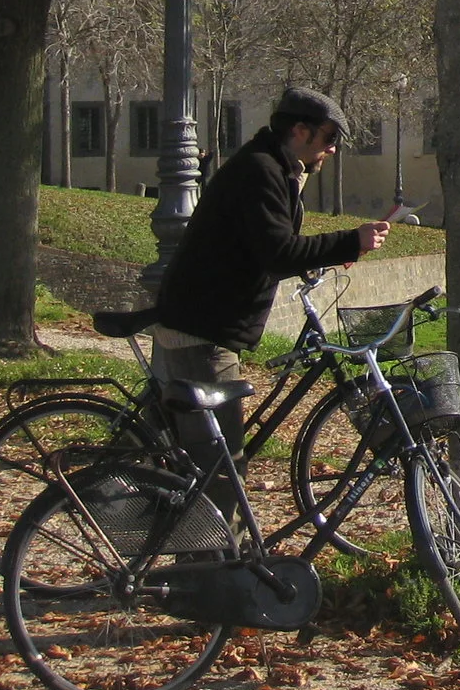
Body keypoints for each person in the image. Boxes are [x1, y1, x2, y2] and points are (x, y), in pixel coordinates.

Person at [150, 88, 390, 454]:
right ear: (300, 131)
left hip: (207, 324)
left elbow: (266, 244)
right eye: (329, 137)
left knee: (189, 454)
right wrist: (350, 241)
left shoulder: (273, 167)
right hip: (201, 332)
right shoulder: (260, 171)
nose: (333, 149)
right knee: (223, 466)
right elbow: (278, 252)